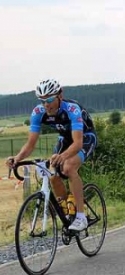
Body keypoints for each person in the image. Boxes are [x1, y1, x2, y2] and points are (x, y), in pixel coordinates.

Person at [6, 79, 97, 231]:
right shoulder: (38, 112)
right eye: (42, 100)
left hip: (85, 137)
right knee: (52, 172)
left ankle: (81, 217)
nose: (46, 104)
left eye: (49, 99)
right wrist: (17, 158)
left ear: (60, 96)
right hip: (65, 139)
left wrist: (63, 156)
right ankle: (68, 210)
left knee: (68, 167)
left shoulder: (72, 110)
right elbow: (30, 145)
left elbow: (77, 144)